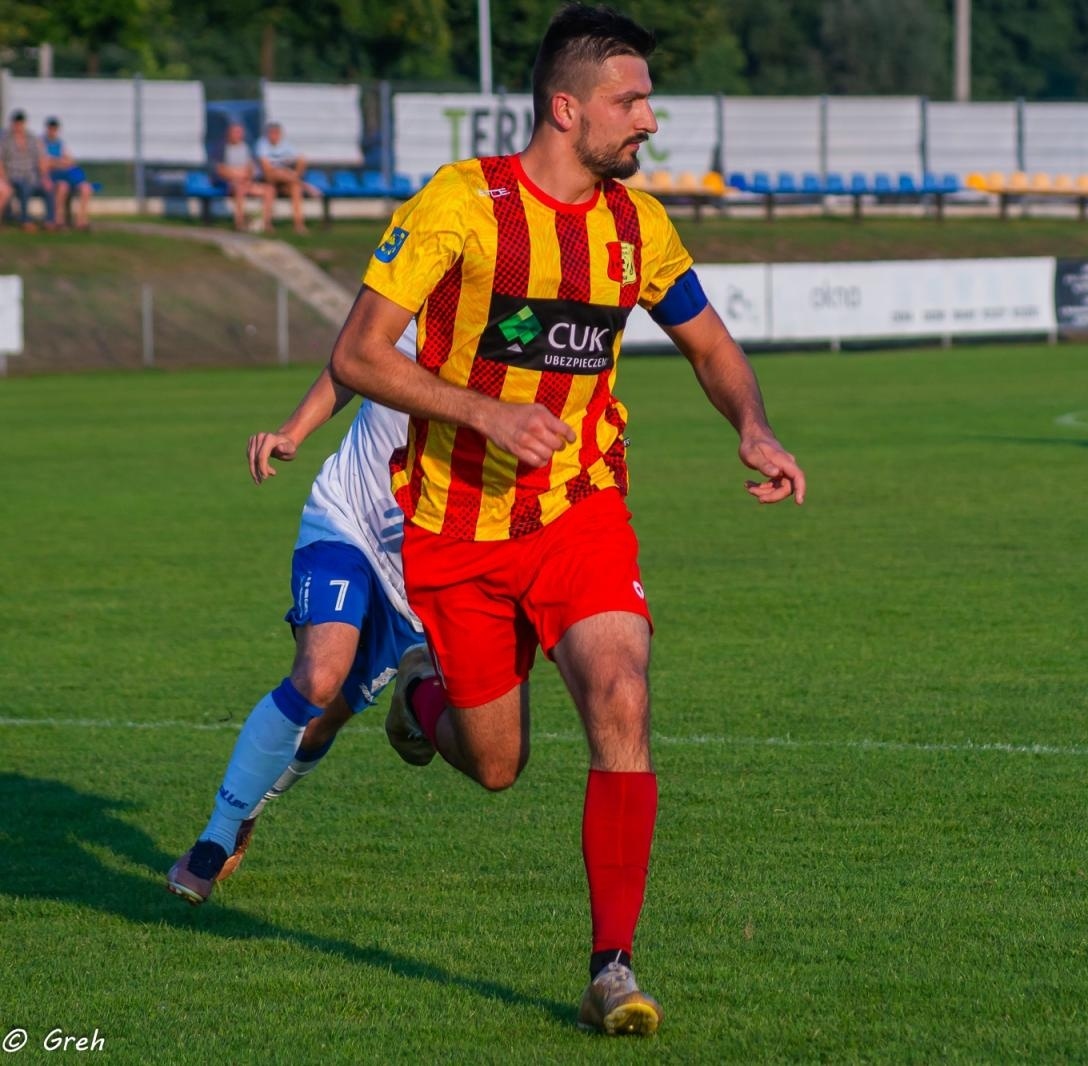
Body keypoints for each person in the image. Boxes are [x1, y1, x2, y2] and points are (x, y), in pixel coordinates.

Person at [328, 3, 805, 1037]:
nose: (649, 121)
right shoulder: (460, 204)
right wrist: (485, 410)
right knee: (497, 764)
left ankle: (611, 969)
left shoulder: (638, 225)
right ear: (565, 108)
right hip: (457, 527)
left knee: (621, 692)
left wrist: (754, 427)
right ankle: (418, 696)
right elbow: (357, 355)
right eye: (630, 102)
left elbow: (712, 347)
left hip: (579, 509)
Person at [167, 324, 425, 904]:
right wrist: (293, 431)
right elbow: (352, 360)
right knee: (318, 676)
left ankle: (251, 804)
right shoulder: (415, 297)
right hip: (346, 518)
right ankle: (216, 836)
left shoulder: (517, 342)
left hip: (420, 569)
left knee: (323, 719)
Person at [215, 121, 275, 232]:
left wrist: (246, 177)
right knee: (240, 189)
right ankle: (239, 223)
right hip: (228, 184)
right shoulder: (222, 148)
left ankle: (267, 223)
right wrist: (236, 174)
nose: (238, 135)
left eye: (240, 132)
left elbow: (250, 168)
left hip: (245, 181)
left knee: (269, 190)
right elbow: (220, 170)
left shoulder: (246, 148)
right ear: (229, 133)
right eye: (236, 132)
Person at [256, 121, 312, 234]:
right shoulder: (261, 144)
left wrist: (289, 174)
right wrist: (284, 172)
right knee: (271, 185)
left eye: (276, 133)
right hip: (268, 180)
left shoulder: (286, 145)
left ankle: (299, 224)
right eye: (272, 133)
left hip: (285, 179)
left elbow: (299, 160)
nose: (274, 136)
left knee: (296, 188)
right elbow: (267, 170)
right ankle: (267, 224)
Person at [1, 110, 54, 229]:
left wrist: (45, 177)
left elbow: (41, 159)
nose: (18, 126)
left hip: (32, 175)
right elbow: (1, 162)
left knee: (48, 188)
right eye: (16, 123)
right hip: (13, 176)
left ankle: (49, 221)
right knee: (25, 187)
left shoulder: (32, 138)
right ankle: (25, 220)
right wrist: (4, 178)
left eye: (20, 123)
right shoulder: (5, 140)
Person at [43, 118, 93, 230]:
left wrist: (57, 162)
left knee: (86, 189)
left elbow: (70, 160)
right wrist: (59, 162)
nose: (53, 131)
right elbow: (45, 163)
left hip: (67, 174)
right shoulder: (42, 143)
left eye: (55, 129)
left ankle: (81, 220)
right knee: (62, 187)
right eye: (51, 129)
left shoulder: (60, 143)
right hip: (54, 176)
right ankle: (58, 219)